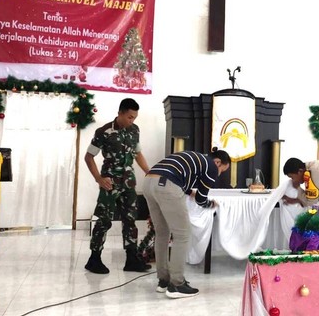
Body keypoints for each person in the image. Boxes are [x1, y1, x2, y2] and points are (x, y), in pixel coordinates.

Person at [143, 148, 231, 299]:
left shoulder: (198, 158)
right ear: (218, 162)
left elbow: (179, 179)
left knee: (162, 233)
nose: (219, 174)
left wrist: (191, 192)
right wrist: (210, 204)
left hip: (148, 182)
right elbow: (201, 199)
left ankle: (163, 281)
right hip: (166, 185)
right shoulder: (211, 166)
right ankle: (176, 284)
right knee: (182, 234)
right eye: (222, 169)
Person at [84, 98, 152, 274]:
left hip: (128, 183)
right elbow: (89, 157)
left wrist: (149, 171)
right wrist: (99, 178)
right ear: (120, 113)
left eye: (134, 117)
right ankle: (94, 258)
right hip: (110, 183)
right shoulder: (103, 132)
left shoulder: (134, 130)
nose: (132, 121)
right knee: (104, 220)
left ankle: (131, 259)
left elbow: (137, 153)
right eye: (130, 117)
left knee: (130, 220)